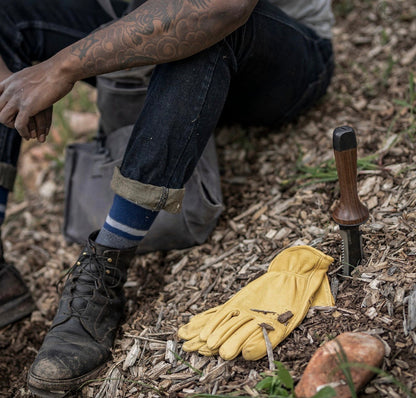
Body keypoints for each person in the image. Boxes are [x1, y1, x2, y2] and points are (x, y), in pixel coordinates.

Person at [0, 0, 334, 396]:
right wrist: (12, 91)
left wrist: (60, 68)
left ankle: (106, 266)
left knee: (198, 27)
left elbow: (222, 7)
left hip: (275, 58)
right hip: (137, 34)